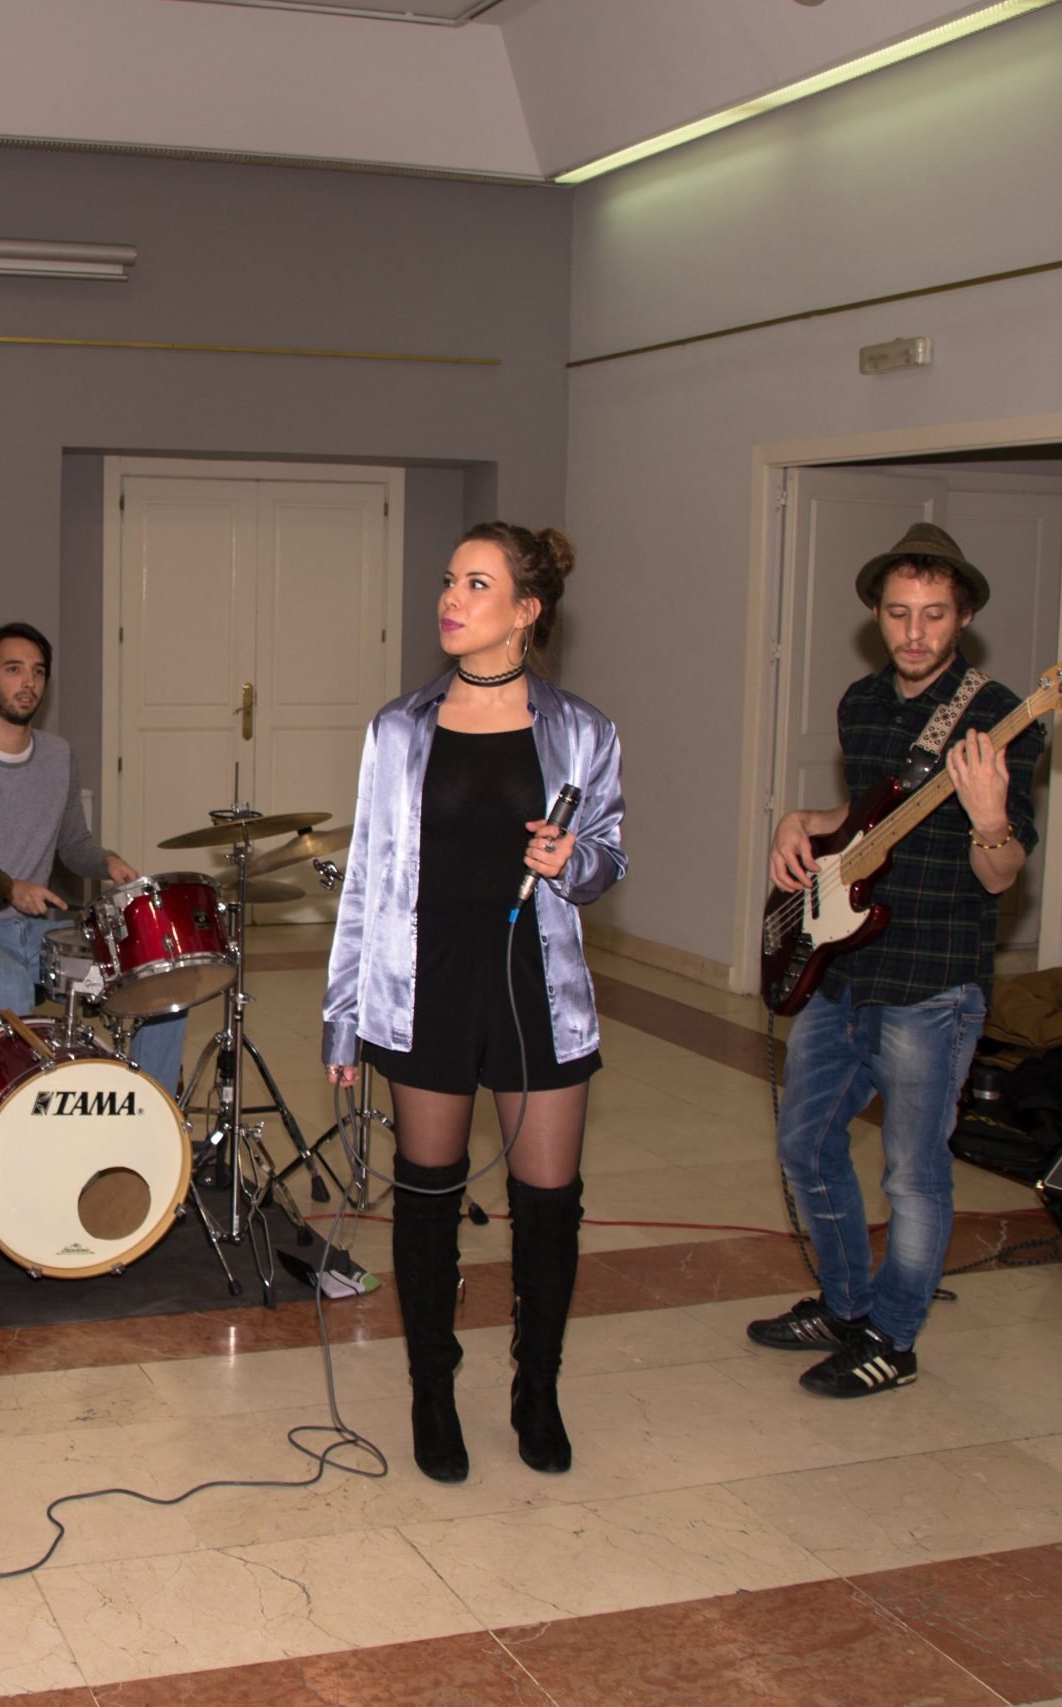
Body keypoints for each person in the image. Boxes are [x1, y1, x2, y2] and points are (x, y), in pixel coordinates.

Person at [323, 524, 625, 1483]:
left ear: (527, 610)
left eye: (478, 584)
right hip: (426, 984)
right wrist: (343, 1013)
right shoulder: (398, 728)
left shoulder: (582, 729)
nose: (451, 598)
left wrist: (574, 860)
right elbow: (365, 880)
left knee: (549, 1205)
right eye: (451, 580)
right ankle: (432, 1388)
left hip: (541, 986)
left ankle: (538, 1387)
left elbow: (608, 857)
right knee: (428, 1196)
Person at [749, 521, 1044, 1397]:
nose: (915, 633)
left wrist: (989, 819)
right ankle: (847, 1306)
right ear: (877, 614)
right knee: (805, 1143)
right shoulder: (862, 702)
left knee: (913, 1174)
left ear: (965, 617)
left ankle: (894, 1336)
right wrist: (801, 823)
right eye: (899, 613)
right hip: (845, 964)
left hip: (933, 980)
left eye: (935, 614)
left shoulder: (1000, 717)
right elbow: (864, 818)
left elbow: (1002, 873)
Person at [0, 623, 185, 1093]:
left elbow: (74, 844)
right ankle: (7, 1120)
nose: (29, 682)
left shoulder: (58, 756)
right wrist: (7, 888)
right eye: (14, 669)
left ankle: (148, 1110)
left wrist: (108, 862)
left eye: (38, 672)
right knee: (10, 986)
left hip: (39, 932)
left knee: (158, 976)